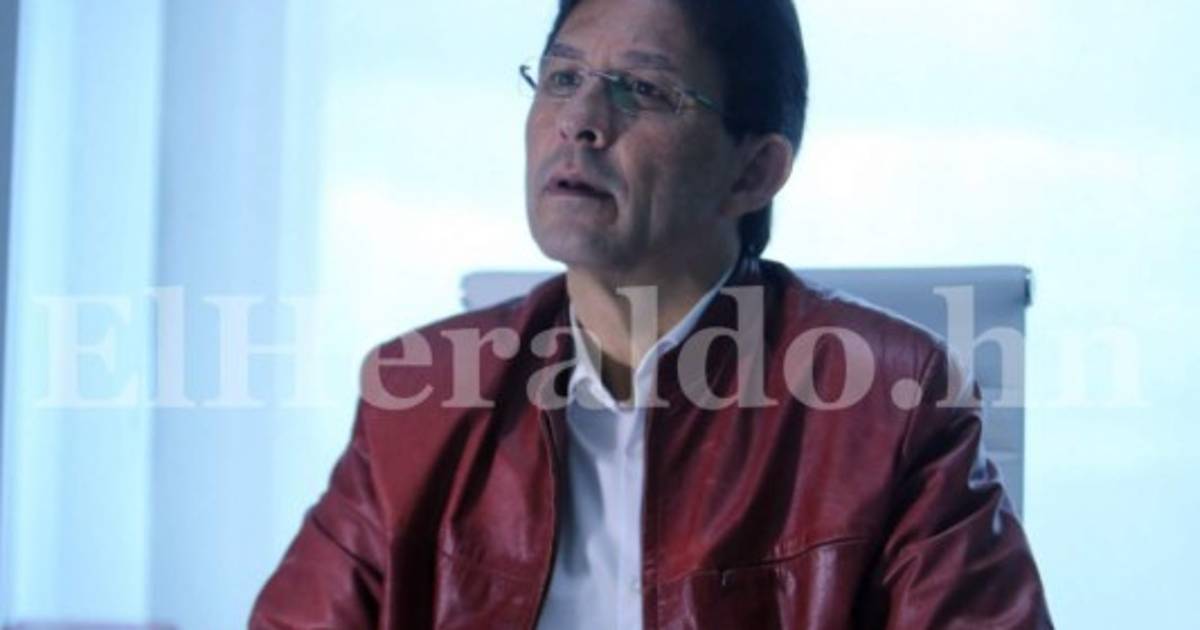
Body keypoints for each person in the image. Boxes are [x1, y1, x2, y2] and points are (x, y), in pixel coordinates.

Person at [251, 0, 1053, 627]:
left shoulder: (895, 406)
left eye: (643, 89)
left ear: (754, 172)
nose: (579, 120)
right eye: (562, 77)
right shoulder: (418, 400)